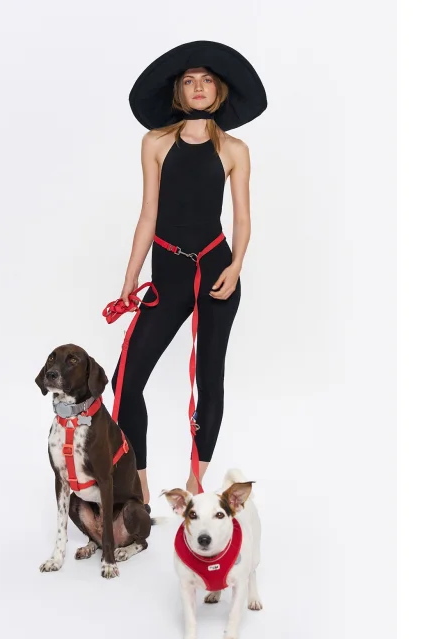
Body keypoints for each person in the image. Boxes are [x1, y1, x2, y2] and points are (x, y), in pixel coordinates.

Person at [111, 41, 268, 509]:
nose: (198, 87)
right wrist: (130, 278)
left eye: (206, 80)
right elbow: (148, 214)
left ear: (218, 90)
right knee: (125, 380)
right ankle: (139, 485)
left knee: (208, 377)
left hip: (217, 271)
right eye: (188, 80)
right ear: (178, 91)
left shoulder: (234, 149)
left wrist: (236, 266)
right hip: (168, 272)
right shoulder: (155, 143)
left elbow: (242, 218)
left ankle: (196, 485)